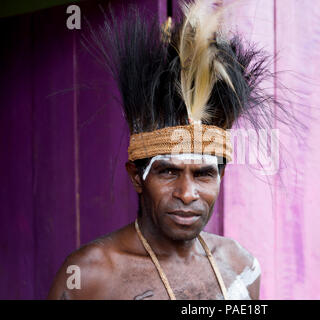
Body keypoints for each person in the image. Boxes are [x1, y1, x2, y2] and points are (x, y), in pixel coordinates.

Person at [48, 0, 284, 300]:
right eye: (169, 171)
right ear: (137, 176)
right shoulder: (87, 277)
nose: (187, 193)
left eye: (203, 174)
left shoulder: (241, 267)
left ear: (221, 177)